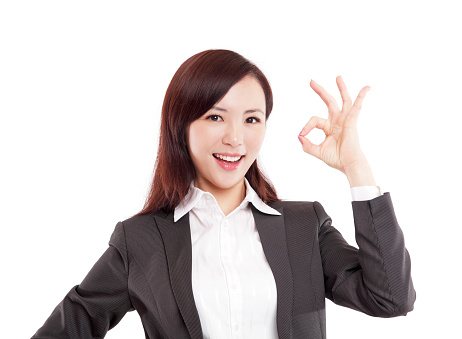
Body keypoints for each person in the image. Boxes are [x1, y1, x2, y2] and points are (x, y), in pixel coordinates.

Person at [32, 49, 416, 339]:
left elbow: (392, 298)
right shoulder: (142, 241)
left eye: (252, 119)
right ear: (182, 125)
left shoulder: (304, 226)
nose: (235, 138)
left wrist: (356, 167)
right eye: (215, 116)